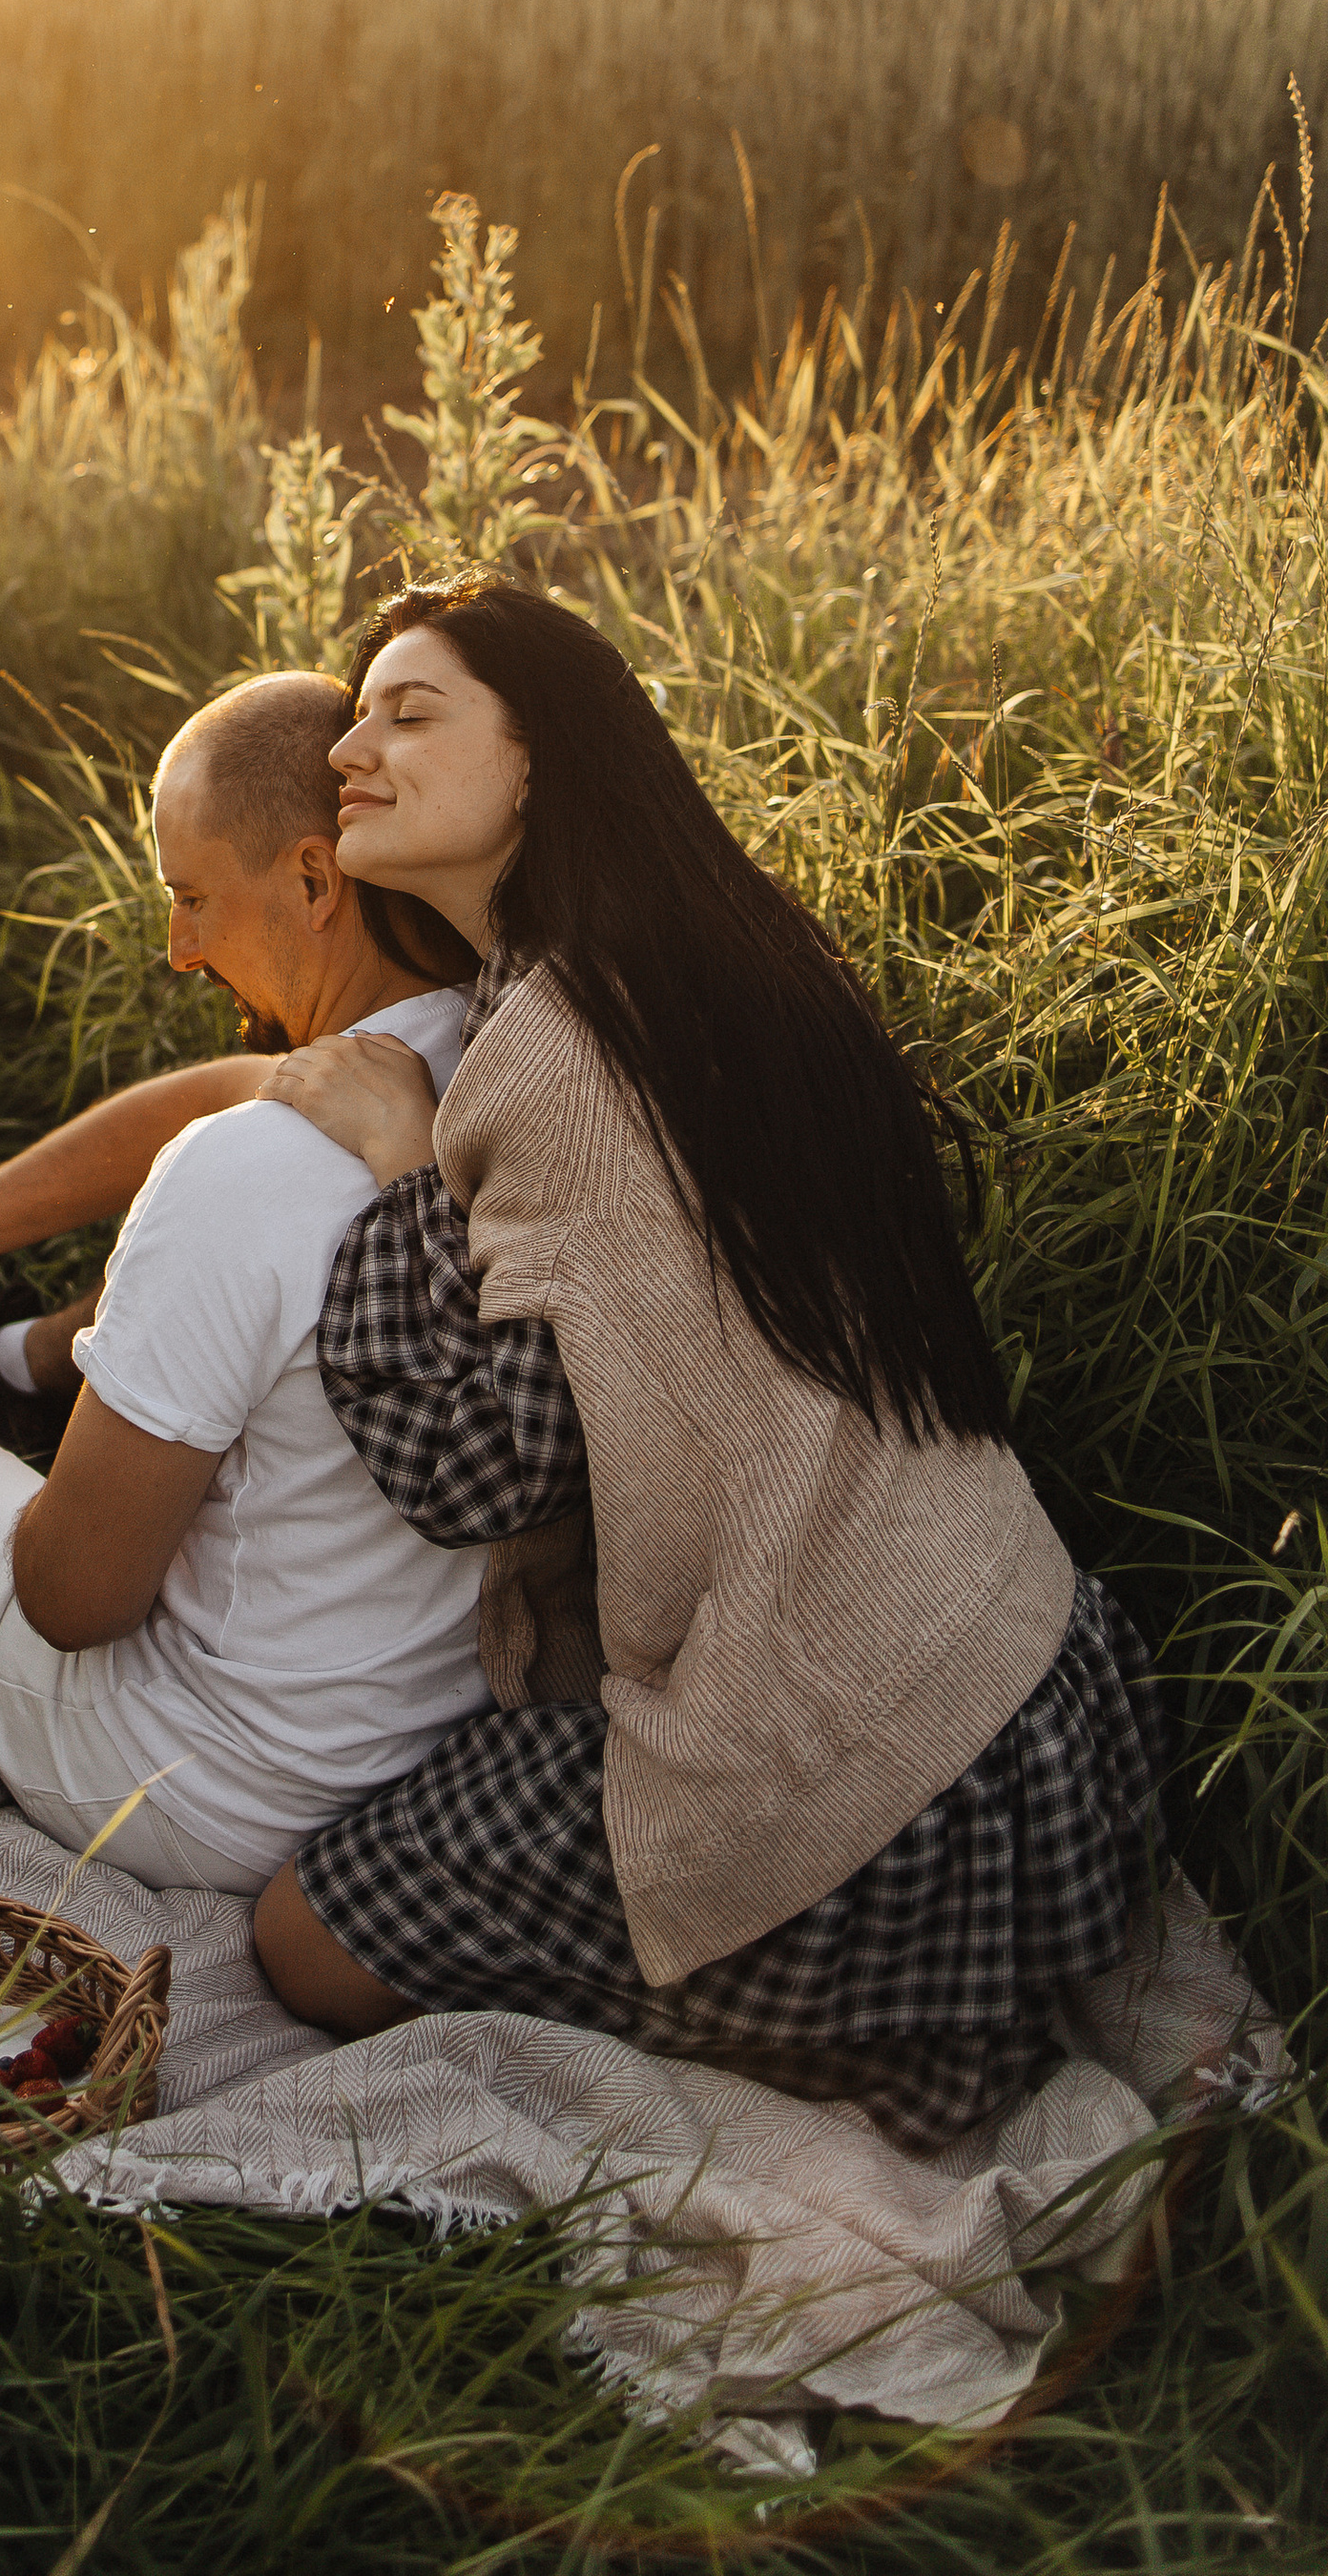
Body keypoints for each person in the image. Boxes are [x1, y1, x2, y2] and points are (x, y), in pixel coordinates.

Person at [254, 572, 1171, 2154]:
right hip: (1043, 1707)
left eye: (411, 712)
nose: (352, 747)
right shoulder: (701, 961)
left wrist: (409, 1177)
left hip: (889, 1805)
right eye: (352, 716)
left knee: (301, 1938)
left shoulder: (553, 1057)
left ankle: (829, 2027)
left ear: (544, 757)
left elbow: (477, 1469)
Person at [0, 669, 494, 1896]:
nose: (177, 953)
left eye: (189, 898)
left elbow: (71, 1603)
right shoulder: (499, 1070)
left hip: (209, 1789)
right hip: (425, 1758)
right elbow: (241, 1092)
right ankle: (21, 1355)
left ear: (315, 882)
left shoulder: (242, 1177)